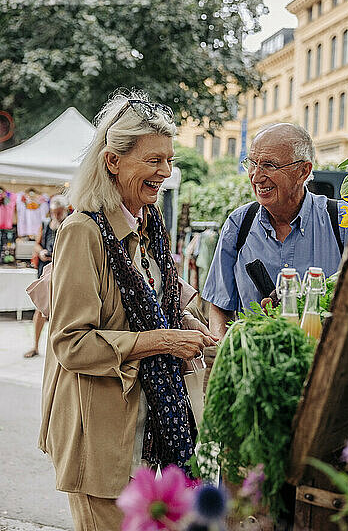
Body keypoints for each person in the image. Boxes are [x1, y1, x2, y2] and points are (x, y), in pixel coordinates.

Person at [38, 89, 218, 531]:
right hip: (98, 437)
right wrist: (166, 341)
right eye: (153, 160)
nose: (165, 171)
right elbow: (71, 344)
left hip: (144, 429)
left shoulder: (149, 224)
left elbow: (163, 297)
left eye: (168, 159)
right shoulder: (83, 231)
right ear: (112, 161)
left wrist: (196, 325)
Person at [202, 123, 348, 338]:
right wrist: (226, 354)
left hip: (324, 363)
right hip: (255, 364)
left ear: (303, 171)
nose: (256, 176)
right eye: (252, 163)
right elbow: (220, 306)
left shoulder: (342, 221)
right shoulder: (239, 224)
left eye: (269, 165)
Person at [24, 195, 68, 358]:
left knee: (60, 311)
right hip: (46, 269)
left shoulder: (70, 223)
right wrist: (40, 251)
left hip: (62, 269)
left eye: (59, 212)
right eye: (53, 212)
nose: (56, 215)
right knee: (40, 308)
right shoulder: (45, 224)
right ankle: (35, 346)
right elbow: (37, 243)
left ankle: (57, 351)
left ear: (64, 210)